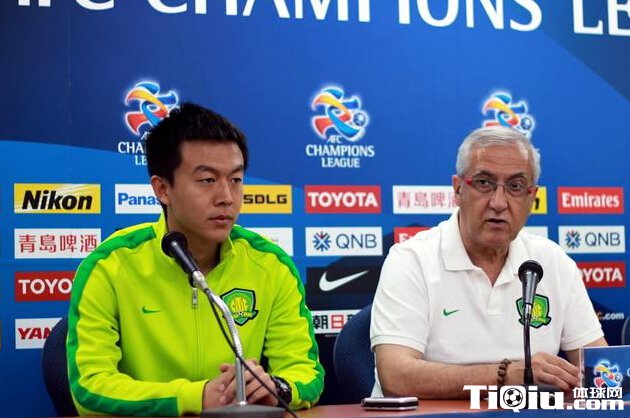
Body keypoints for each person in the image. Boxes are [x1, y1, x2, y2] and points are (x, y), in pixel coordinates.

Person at [67, 103, 324, 415]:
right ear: (162, 189)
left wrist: (276, 388)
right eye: (207, 180)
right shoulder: (109, 266)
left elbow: (307, 374)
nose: (226, 197)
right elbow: (90, 387)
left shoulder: (271, 264)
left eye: (236, 180)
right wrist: (194, 397)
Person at [370, 126, 606, 399]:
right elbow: (396, 376)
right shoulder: (411, 260)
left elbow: (601, 368)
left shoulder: (553, 262)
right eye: (484, 183)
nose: (499, 202)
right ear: (458, 189)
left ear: (531, 197)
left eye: (515, 187)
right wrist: (505, 376)